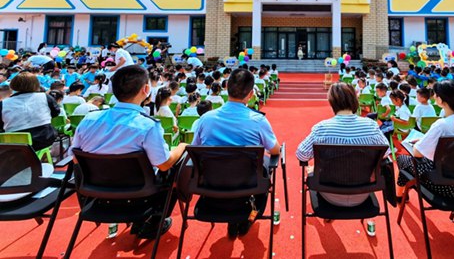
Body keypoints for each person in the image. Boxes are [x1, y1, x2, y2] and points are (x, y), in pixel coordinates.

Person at [71, 65, 187, 238]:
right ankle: (156, 218)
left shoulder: (89, 120)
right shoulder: (147, 125)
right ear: (146, 90)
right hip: (141, 193)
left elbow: (75, 160)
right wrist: (182, 146)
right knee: (177, 163)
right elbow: (163, 165)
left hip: (96, 193)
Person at [192, 68, 280, 238]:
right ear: (251, 94)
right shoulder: (257, 120)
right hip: (248, 183)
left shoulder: (206, 119)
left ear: (226, 88)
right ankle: (250, 214)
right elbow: (274, 149)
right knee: (268, 164)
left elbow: (195, 148)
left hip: (212, 182)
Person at [297, 82, 388, 207]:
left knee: (312, 170)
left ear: (331, 102)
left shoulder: (321, 128)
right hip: (363, 191)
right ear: (354, 100)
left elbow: (301, 155)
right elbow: (386, 152)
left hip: (328, 191)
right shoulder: (371, 126)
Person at [397, 80, 454, 198]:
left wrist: (420, 143)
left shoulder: (442, 125)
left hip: (445, 185)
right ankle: (401, 195)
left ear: (440, 99)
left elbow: (417, 153)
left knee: (403, 160)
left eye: (435, 94)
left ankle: (400, 196)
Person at [0, 72, 60, 150]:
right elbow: (56, 112)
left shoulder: (4, 103)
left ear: (13, 85)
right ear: (36, 84)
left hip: (15, 143)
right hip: (44, 138)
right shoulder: (45, 97)